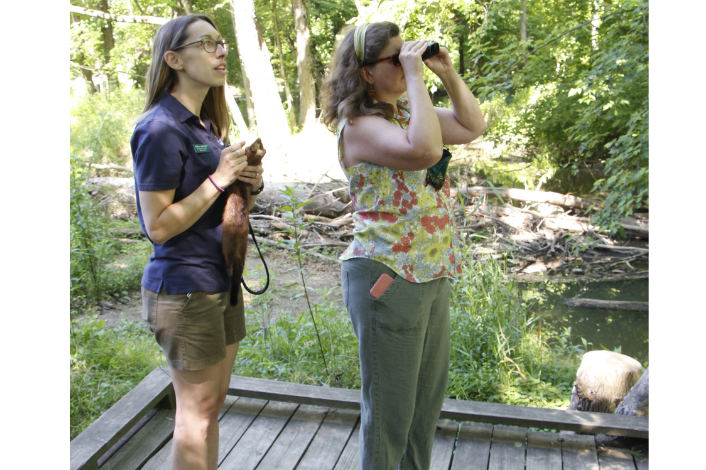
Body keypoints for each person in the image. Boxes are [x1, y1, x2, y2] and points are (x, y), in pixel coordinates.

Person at [319, 22, 487, 470]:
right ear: (367, 72)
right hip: (386, 278)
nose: (405, 62)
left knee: (421, 413)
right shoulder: (359, 128)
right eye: (395, 58)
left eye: (405, 55)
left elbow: (473, 126)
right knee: (390, 417)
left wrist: (446, 73)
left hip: (430, 274)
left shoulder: (401, 118)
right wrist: (415, 76)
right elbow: (426, 150)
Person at [130, 14, 265, 470]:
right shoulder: (159, 128)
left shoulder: (203, 125)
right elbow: (159, 226)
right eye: (207, 44)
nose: (221, 51)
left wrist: (246, 182)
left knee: (208, 413)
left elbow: (211, 197)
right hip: (185, 289)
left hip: (217, 283)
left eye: (221, 42)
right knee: (195, 420)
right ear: (174, 59)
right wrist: (219, 179)